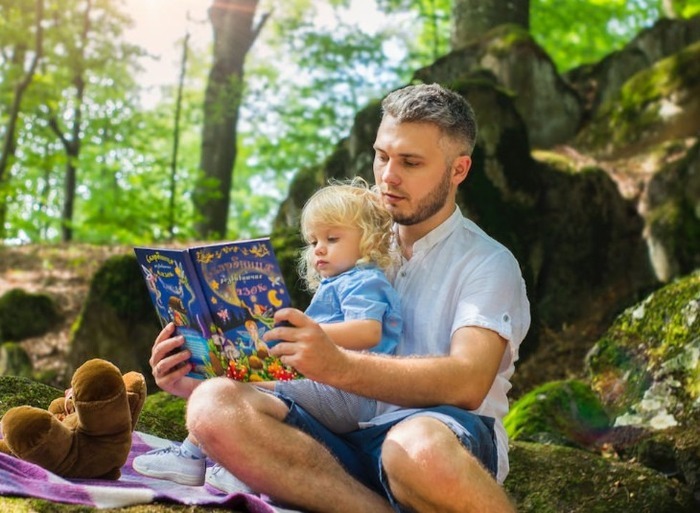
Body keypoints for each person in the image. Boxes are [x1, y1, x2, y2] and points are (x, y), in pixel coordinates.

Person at [150, 83, 530, 512]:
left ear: (458, 170)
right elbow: (296, 372)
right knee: (211, 404)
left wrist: (338, 364)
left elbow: (467, 381)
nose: (388, 175)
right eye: (382, 156)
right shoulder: (352, 244)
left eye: (410, 162)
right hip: (337, 439)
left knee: (415, 446)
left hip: (439, 436)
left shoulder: (488, 262)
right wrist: (198, 368)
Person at [134, 178, 403, 487]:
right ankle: (215, 461)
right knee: (234, 385)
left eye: (332, 238)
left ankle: (203, 460)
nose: (319, 250)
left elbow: (368, 331)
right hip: (326, 387)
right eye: (313, 241)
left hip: (346, 394)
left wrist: (308, 332)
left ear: (369, 239)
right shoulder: (339, 282)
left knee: (242, 386)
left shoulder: (365, 280)